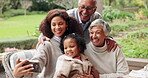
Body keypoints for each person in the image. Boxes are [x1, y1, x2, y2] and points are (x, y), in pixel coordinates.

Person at [12, 9, 83, 78]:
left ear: (66, 24)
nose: (57, 27)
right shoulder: (46, 44)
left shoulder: (74, 42)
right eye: (54, 25)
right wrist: (19, 74)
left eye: (60, 24)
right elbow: (38, 61)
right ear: (50, 26)